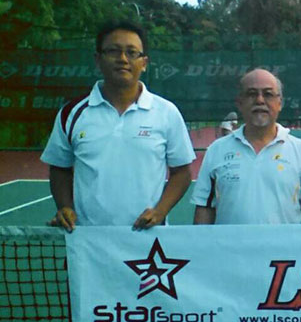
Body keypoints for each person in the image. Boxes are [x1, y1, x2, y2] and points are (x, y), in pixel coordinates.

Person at [40, 21, 195, 232]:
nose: (122, 59)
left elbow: (182, 172)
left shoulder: (167, 113)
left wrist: (160, 211)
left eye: (132, 52)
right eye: (113, 51)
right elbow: (59, 167)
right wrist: (65, 206)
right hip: (87, 240)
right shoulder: (72, 113)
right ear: (98, 59)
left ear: (144, 62)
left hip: (149, 241)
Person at [191, 69, 301, 224]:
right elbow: (204, 210)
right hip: (230, 249)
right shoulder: (216, 150)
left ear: (279, 103)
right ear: (239, 102)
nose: (260, 100)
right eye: (252, 94)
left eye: (268, 94)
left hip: (285, 249)